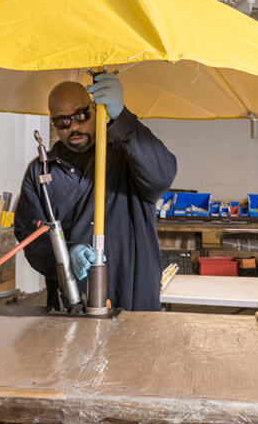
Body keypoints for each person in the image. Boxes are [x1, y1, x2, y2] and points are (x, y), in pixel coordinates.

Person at [13, 73, 177, 311]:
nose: (74, 127)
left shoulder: (126, 154)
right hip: (71, 301)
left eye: (81, 115)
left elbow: (163, 173)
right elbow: (29, 234)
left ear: (95, 107)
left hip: (133, 297)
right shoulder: (41, 170)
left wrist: (123, 117)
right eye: (63, 122)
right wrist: (68, 254)